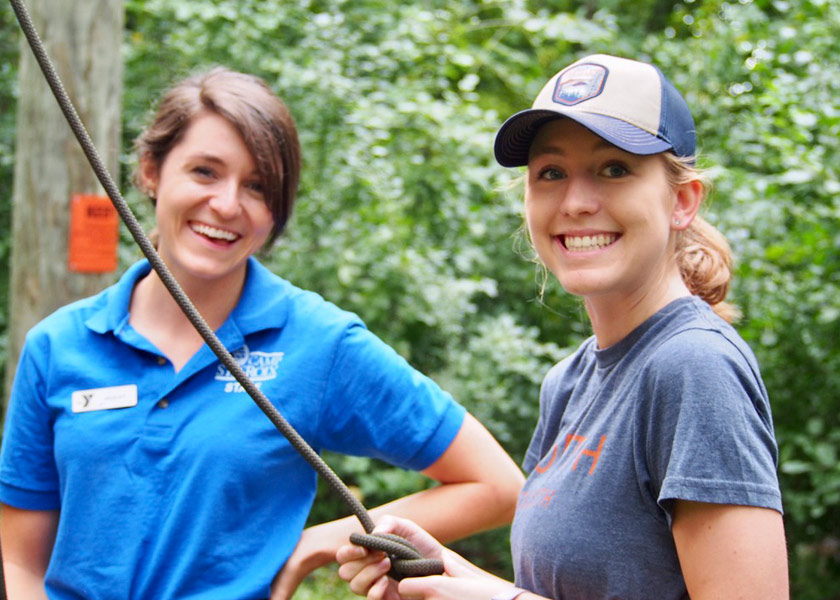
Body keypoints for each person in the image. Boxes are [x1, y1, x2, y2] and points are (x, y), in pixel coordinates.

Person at [0, 67, 525, 600]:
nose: (227, 205)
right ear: (151, 171)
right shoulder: (58, 345)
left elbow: (496, 487)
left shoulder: (319, 342)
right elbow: (20, 560)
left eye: (257, 186)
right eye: (205, 172)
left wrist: (317, 543)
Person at [336, 53, 789, 600]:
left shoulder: (694, 367)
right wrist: (447, 573)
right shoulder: (569, 381)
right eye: (551, 173)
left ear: (682, 201)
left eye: (614, 168)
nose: (576, 202)